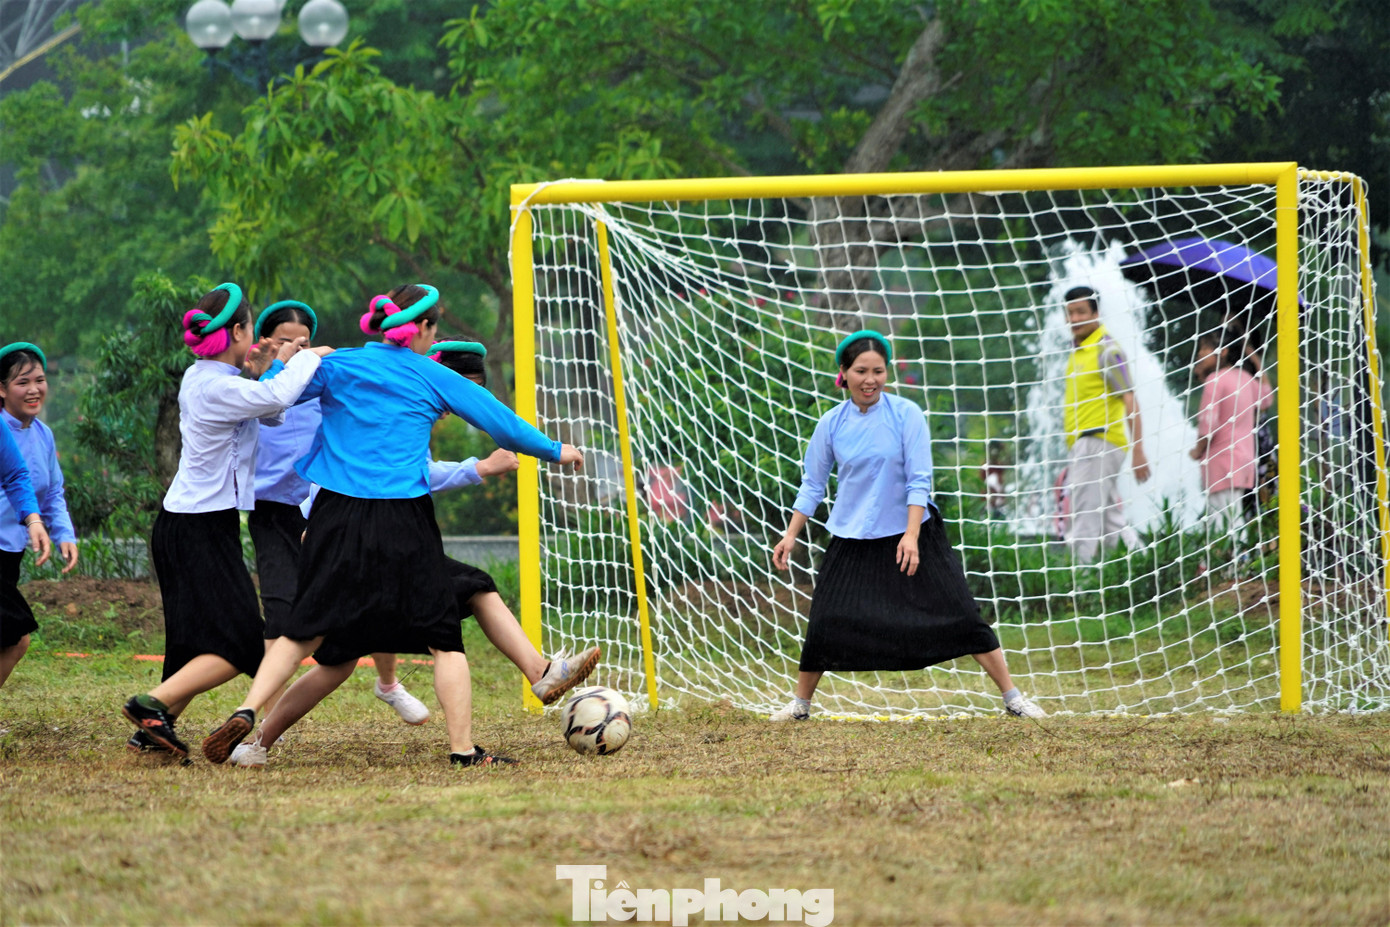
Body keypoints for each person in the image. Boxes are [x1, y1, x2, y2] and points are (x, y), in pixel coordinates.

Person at [202, 285, 583, 769]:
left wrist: (292, 360)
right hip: (402, 517)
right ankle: (463, 751)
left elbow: (277, 403)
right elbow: (503, 425)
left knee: (304, 635)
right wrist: (557, 451)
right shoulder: (430, 374)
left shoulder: (341, 365)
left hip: (334, 515)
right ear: (422, 329)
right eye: (434, 328)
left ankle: (248, 716)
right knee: (444, 639)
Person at [768, 330, 1045, 721]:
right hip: (853, 536)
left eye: (878, 371)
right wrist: (790, 534)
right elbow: (812, 485)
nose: (870, 379)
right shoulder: (831, 424)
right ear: (843, 373)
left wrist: (911, 535)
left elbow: (919, 479)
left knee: (963, 615)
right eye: (861, 370)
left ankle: (1013, 698)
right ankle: (800, 706)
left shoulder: (906, 415)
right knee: (826, 620)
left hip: (913, 533)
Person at [118, 283, 329, 758]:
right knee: (240, 645)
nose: (257, 336)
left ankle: (154, 728)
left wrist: (268, 366)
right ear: (237, 331)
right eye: (252, 328)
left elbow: (269, 414)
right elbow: (277, 398)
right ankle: (148, 705)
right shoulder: (216, 385)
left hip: (187, 524)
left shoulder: (210, 378)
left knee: (191, 638)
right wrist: (306, 356)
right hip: (198, 528)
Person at [246, 299, 433, 726]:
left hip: (326, 507)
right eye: (284, 342)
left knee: (372, 588)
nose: (296, 348)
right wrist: (270, 368)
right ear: (264, 344)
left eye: (304, 341)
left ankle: (388, 683)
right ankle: (259, 721)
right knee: (280, 611)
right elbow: (263, 407)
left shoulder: (324, 379)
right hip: (274, 511)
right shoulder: (258, 386)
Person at [1061, 285, 1148, 562]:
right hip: (1085, 445)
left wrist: (1138, 450)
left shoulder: (1107, 350)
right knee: (1112, 521)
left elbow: (1130, 398)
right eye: (1070, 313)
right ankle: (1145, 565)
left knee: (1083, 518)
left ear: (1096, 313)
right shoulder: (1077, 353)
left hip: (1098, 443)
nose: (1074, 319)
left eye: (1081, 312)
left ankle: (1079, 586)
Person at [0, 343, 55, 689]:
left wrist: (35, 521)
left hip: (9, 549)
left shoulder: (39, 435)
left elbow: (17, 476)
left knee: (13, 638)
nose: (33, 389)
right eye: (24, 381)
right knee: (17, 637)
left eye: (39, 380)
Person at [1190, 334, 1272, 551]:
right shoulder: (1245, 378)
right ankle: (1240, 564)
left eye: (1204, 350)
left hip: (1221, 459)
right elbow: (1267, 398)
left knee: (1220, 518)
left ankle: (1231, 567)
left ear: (1223, 352)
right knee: (1234, 514)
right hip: (1245, 459)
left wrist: (1197, 450)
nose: (1199, 356)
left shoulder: (1214, 381)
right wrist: (1254, 358)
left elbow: (1208, 423)